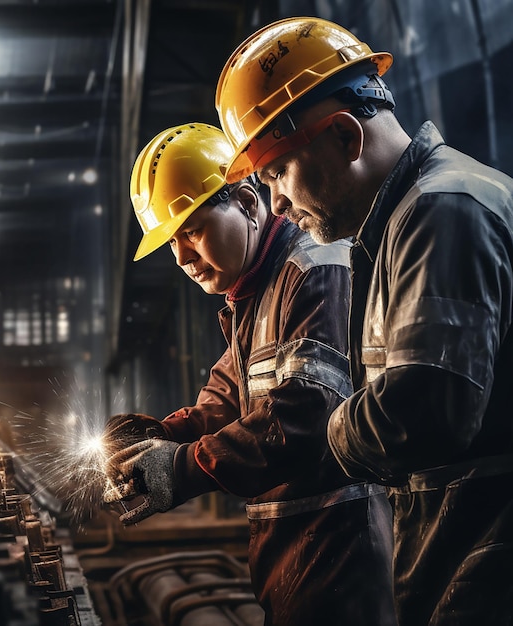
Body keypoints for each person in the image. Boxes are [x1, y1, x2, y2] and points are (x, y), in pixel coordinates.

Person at [214, 15, 513, 626]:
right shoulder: (391, 231)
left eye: (276, 172)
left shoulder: (443, 210)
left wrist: (333, 427)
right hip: (458, 562)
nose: (275, 203)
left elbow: (424, 414)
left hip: (487, 568)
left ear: (346, 137)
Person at [102, 122, 397, 625]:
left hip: (344, 553)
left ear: (244, 199)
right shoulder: (251, 299)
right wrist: (157, 435)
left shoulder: (314, 272)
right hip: (296, 555)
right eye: (172, 241)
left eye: (192, 230)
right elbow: (224, 403)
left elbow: (305, 416)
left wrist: (179, 468)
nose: (181, 257)